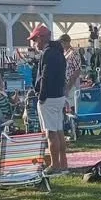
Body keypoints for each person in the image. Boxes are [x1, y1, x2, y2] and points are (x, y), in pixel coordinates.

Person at [30, 24, 67, 174]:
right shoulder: (59, 52)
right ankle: (63, 163)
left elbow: (45, 77)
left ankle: (55, 165)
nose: (34, 43)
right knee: (59, 131)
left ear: (41, 38)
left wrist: (41, 96)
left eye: (34, 40)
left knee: (51, 133)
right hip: (59, 95)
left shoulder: (48, 54)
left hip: (49, 97)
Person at [60, 33, 82, 110]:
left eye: (61, 42)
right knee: (63, 106)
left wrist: (69, 86)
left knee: (73, 106)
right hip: (65, 82)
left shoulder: (74, 53)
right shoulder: (64, 53)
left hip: (72, 83)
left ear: (66, 42)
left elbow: (77, 71)